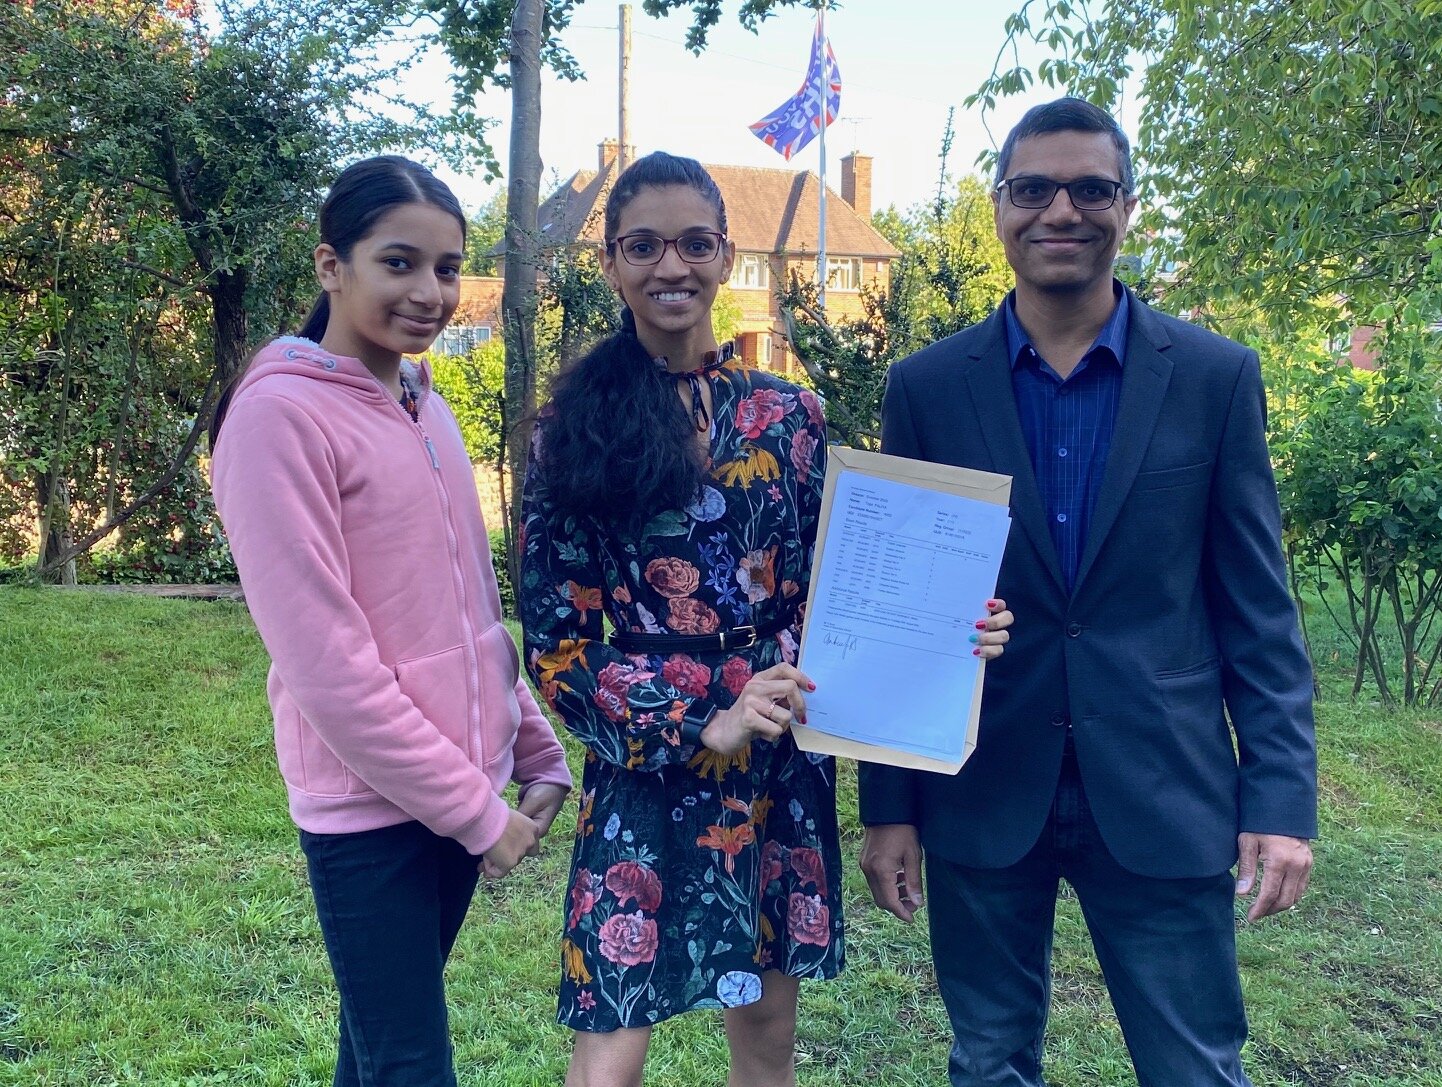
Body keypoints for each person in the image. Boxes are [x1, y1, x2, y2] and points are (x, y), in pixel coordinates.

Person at [519, 150, 1012, 1087]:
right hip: (649, 763)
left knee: (769, 1025)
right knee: (614, 1029)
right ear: (612, 262)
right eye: (645, 246)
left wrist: (953, 621)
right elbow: (558, 643)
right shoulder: (569, 428)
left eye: (696, 243)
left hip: (781, 755)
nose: (673, 266)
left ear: (725, 250)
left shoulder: (789, 414)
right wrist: (701, 714)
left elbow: (844, 585)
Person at [858, 97, 1318, 1086]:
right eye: (1033, 189)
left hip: (1162, 790)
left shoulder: (1209, 377)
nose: (1059, 210)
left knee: (1194, 1067)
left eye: (1088, 189)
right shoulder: (926, 389)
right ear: (997, 209)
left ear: (1125, 206)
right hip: (982, 788)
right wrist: (886, 807)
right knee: (986, 1064)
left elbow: (1258, 613)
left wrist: (1279, 800)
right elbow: (892, 614)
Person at [211, 155, 572, 1087]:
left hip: (461, 790)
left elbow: (470, 613)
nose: (430, 292)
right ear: (333, 265)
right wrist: (474, 815)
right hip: (371, 811)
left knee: (374, 1052)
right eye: (400, 263)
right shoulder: (276, 418)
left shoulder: (428, 405)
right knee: (410, 1060)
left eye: (448, 268)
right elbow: (327, 666)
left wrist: (530, 743)